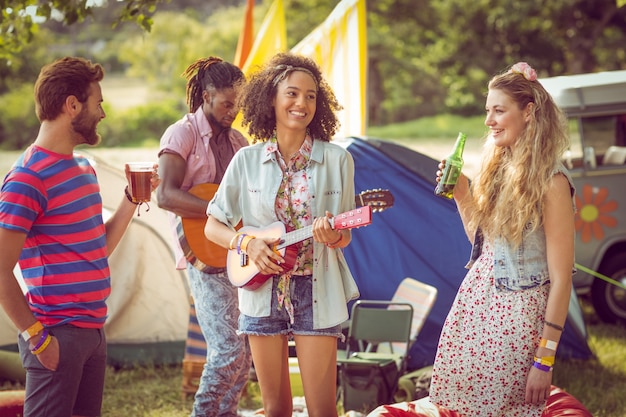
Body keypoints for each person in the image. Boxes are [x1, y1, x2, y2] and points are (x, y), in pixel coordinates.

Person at [0, 56, 159, 417]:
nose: (102, 112)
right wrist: (38, 338)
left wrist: (132, 200)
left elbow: (97, 248)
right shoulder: (27, 178)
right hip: (56, 332)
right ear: (72, 105)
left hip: (92, 331)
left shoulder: (84, 168)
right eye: (97, 102)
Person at [204, 52, 360, 417]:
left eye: (310, 96)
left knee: (323, 410)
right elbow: (214, 225)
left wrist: (331, 236)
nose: (301, 103)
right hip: (261, 290)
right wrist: (247, 242)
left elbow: (345, 236)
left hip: (316, 289)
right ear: (270, 99)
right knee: (275, 409)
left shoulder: (338, 160)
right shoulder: (246, 161)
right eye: (292, 93)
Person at [429, 62, 576, 416]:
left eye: (498, 110)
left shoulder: (552, 182)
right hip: (476, 306)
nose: (488, 121)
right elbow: (485, 250)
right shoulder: (497, 171)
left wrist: (544, 359)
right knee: (466, 407)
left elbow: (561, 279)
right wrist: (463, 193)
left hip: (518, 317)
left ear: (528, 112)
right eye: (487, 111)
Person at [156, 56, 251, 417]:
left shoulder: (239, 141)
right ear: (206, 95)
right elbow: (165, 195)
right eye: (228, 103)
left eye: (238, 104)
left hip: (236, 251)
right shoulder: (182, 134)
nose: (234, 111)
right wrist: (220, 210)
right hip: (202, 252)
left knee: (244, 352)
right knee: (228, 349)